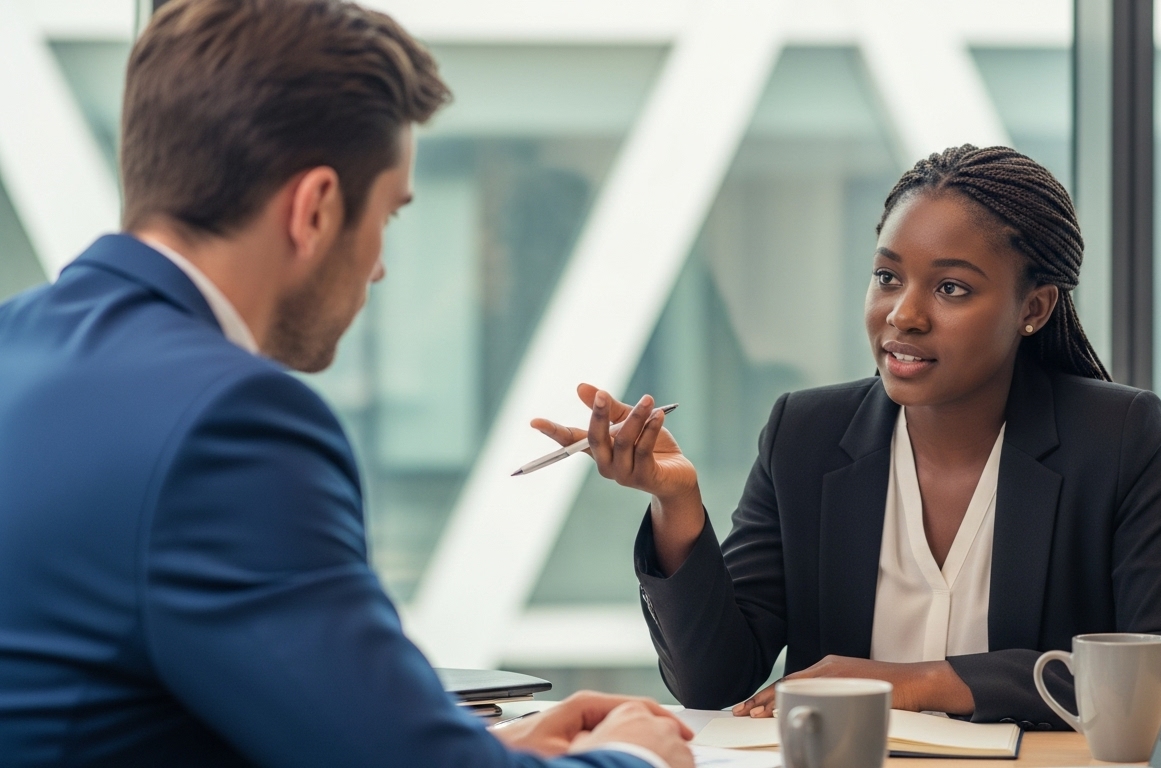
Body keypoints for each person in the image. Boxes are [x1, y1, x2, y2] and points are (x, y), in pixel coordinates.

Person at [0, 1, 692, 766]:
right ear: (317, 209)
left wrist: (480, 744)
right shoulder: (230, 424)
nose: (382, 265)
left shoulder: (17, 344)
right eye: (389, 217)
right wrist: (638, 757)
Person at [532, 145, 1161, 729]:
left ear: (1033, 309)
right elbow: (713, 682)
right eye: (888, 277)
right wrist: (676, 506)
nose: (904, 314)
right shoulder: (805, 435)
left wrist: (919, 681)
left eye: (950, 288)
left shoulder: (1116, 437)